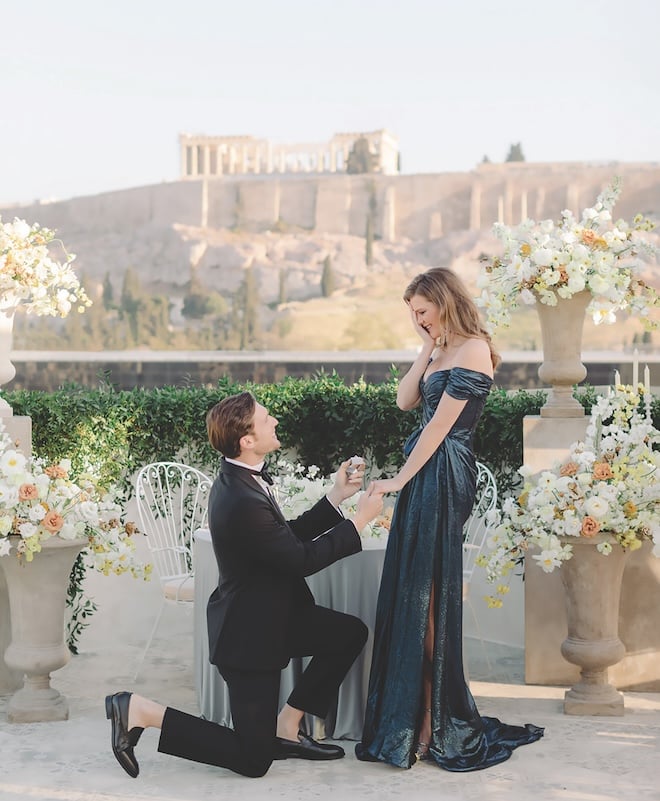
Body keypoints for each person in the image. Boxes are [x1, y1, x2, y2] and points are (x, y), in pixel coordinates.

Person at [105, 391, 383, 779]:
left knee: (348, 634)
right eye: (267, 419)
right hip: (249, 636)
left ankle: (287, 726)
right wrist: (358, 522)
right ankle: (141, 711)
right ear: (247, 440)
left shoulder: (241, 480)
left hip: (274, 617)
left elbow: (286, 539)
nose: (276, 422)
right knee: (254, 761)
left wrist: (338, 496)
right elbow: (300, 560)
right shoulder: (240, 498)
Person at [355, 267, 543, 771]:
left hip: (442, 471)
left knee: (431, 595)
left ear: (443, 301)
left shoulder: (476, 348)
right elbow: (404, 400)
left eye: (422, 310)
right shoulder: (440, 350)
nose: (417, 319)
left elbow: (439, 428)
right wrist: (425, 347)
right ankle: (416, 715)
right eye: (412, 313)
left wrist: (396, 480)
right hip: (423, 472)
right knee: (416, 590)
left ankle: (434, 721)